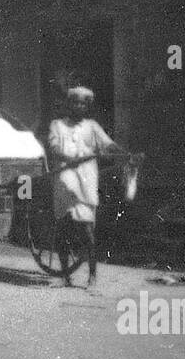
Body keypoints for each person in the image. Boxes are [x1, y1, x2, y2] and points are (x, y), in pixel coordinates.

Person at [47, 86, 136, 288]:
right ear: (68, 104)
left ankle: (92, 277)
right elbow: (53, 148)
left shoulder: (92, 127)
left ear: (87, 107)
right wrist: (68, 159)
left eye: (83, 103)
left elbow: (108, 145)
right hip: (64, 181)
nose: (78, 106)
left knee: (87, 231)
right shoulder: (57, 125)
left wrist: (125, 154)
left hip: (86, 183)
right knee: (63, 229)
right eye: (75, 102)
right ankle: (64, 276)